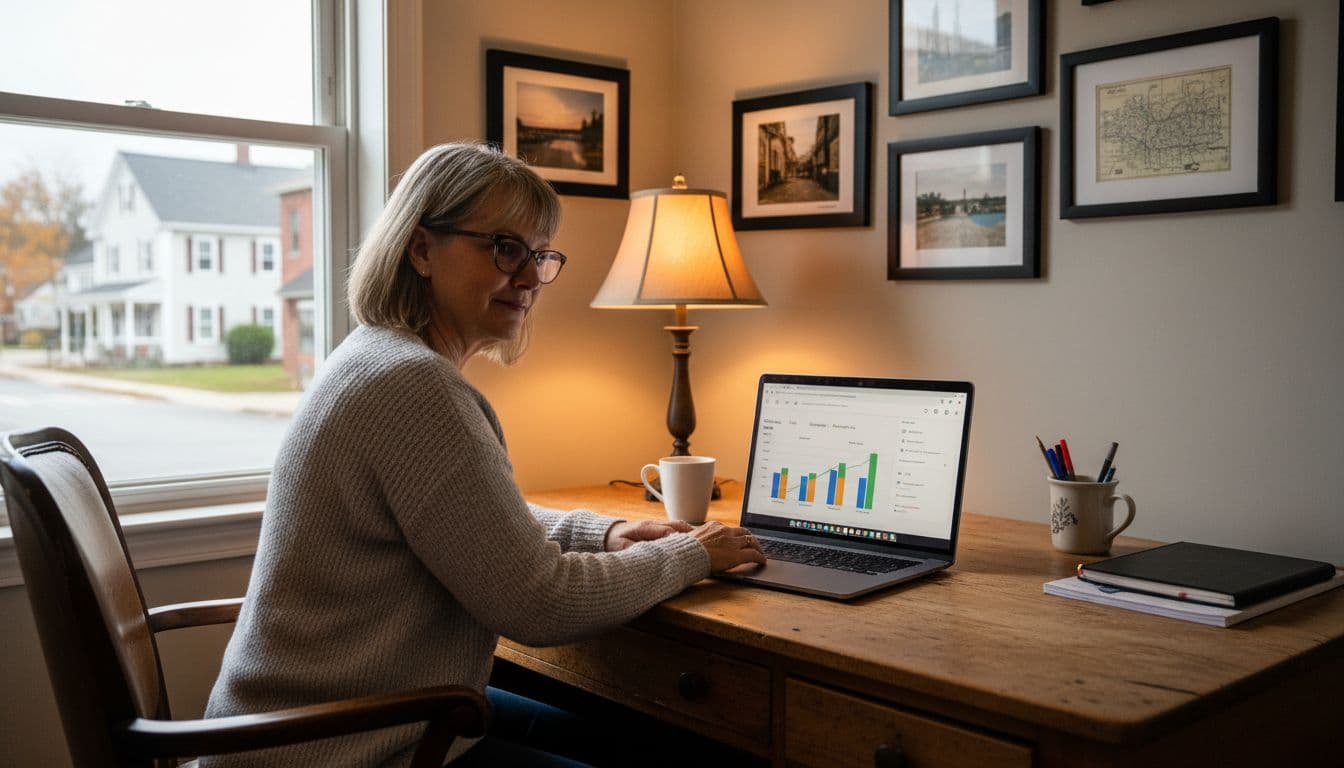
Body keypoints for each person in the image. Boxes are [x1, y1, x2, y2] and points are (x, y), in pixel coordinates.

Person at [201, 142, 766, 767]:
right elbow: (539, 603)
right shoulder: (413, 387)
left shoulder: (374, 357)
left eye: (539, 255)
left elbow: (471, 521)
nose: (528, 278)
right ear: (421, 249)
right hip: (346, 748)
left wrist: (600, 532)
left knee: (632, 735)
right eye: (504, 249)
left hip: (331, 728)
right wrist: (690, 552)